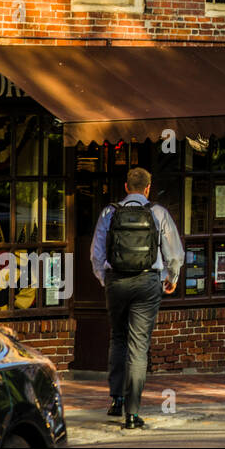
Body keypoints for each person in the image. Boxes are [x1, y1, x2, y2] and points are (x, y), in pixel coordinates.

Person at [90, 167, 184, 430]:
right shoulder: (158, 213)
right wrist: (171, 278)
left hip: (116, 282)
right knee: (138, 345)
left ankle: (116, 400)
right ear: (147, 188)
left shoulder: (109, 213)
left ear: (125, 186)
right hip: (147, 282)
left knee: (118, 337)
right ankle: (132, 413)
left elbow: (96, 254)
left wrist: (104, 279)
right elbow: (174, 253)